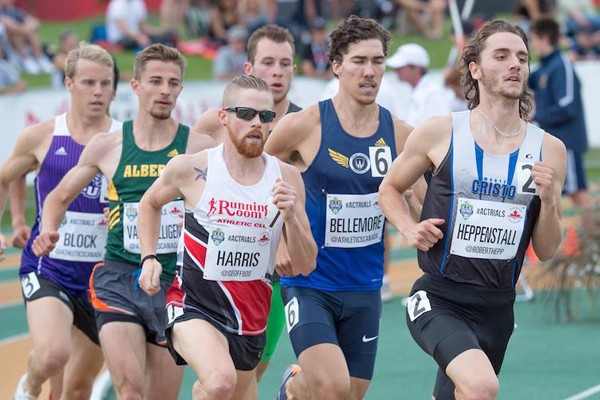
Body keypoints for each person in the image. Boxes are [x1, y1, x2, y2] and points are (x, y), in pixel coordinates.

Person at [378, 19, 566, 400]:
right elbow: (389, 189)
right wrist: (409, 229)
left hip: (498, 307)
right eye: (501, 56)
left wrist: (548, 202)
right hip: (439, 297)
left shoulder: (548, 149)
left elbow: (546, 250)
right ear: (475, 69)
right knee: (481, 387)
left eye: (522, 57)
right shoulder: (440, 132)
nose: (515, 64)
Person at [31, 43, 215, 399]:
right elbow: (58, 197)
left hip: (174, 288)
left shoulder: (198, 148)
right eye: (156, 81)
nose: (165, 90)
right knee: (129, 391)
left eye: (173, 83)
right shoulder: (108, 146)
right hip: (118, 279)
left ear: (180, 89)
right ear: (135, 86)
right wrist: (50, 228)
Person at [137, 74, 317, 400]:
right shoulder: (191, 169)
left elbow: (306, 264)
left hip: (250, 317)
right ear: (224, 117)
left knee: (224, 390)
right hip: (194, 306)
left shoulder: (287, 177)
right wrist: (149, 258)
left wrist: (291, 219)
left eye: (265, 116)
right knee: (220, 381)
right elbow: (150, 203)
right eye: (246, 113)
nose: (256, 123)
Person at [265, 15, 415, 400]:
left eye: (378, 61)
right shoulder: (306, 125)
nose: (370, 72)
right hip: (309, 281)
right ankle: (297, 385)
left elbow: (427, 196)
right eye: (359, 61)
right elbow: (255, 177)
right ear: (336, 66)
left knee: (350, 392)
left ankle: (295, 388)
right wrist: (279, 243)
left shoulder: (400, 133)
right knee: (331, 388)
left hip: (365, 284)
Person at [0, 42, 120, 400]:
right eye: (88, 83)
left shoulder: (122, 140)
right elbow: (8, 175)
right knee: (53, 355)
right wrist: (17, 219)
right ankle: (30, 384)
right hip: (48, 267)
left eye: (105, 83)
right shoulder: (43, 136)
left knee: (76, 388)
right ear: (68, 83)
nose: (98, 92)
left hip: (101, 278)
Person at [192, 23, 302, 398]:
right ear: (249, 68)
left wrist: (288, 240)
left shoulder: (306, 125)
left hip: (280, 273)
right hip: (220, 266)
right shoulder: (216, 121)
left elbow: (310, 197)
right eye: (268, 62)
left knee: (252, 370)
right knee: (225, 379)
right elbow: (190, 187)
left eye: (285, 63)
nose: (277, 72)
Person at [529, 17, 594, 209]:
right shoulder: (545, 68)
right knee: (558, 193)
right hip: (555, 143)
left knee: (577, 193)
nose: (532, 44)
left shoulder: (561, 65)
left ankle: (593, 236)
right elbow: (526, 80)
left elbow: (567, 106)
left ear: (544, 38)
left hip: (568, 142)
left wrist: (535, 115)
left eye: (533, 39)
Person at [386, 43, 451, 126]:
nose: (396, 71)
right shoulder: (420, 91)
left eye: (400, 67)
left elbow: (441, 128)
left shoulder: (433, 94)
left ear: (416, 68)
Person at [0, 0, 54, 74]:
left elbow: (35, 22)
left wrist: (26, 29)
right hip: (5, 44)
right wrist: (24, 29)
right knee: (15, 33)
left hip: (20, 38)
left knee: (32, 34)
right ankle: (25, 59)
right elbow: (9, 25)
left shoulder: (14, 11)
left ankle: (40, 58)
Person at [106, 0, 176, 51]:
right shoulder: (117, 3)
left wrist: (158, 32)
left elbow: (143, 26)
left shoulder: (138, 2)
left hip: (138, 35)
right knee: (133, 41)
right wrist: (138, 37)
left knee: (168, 33)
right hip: (122, 38)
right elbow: (123, 28)